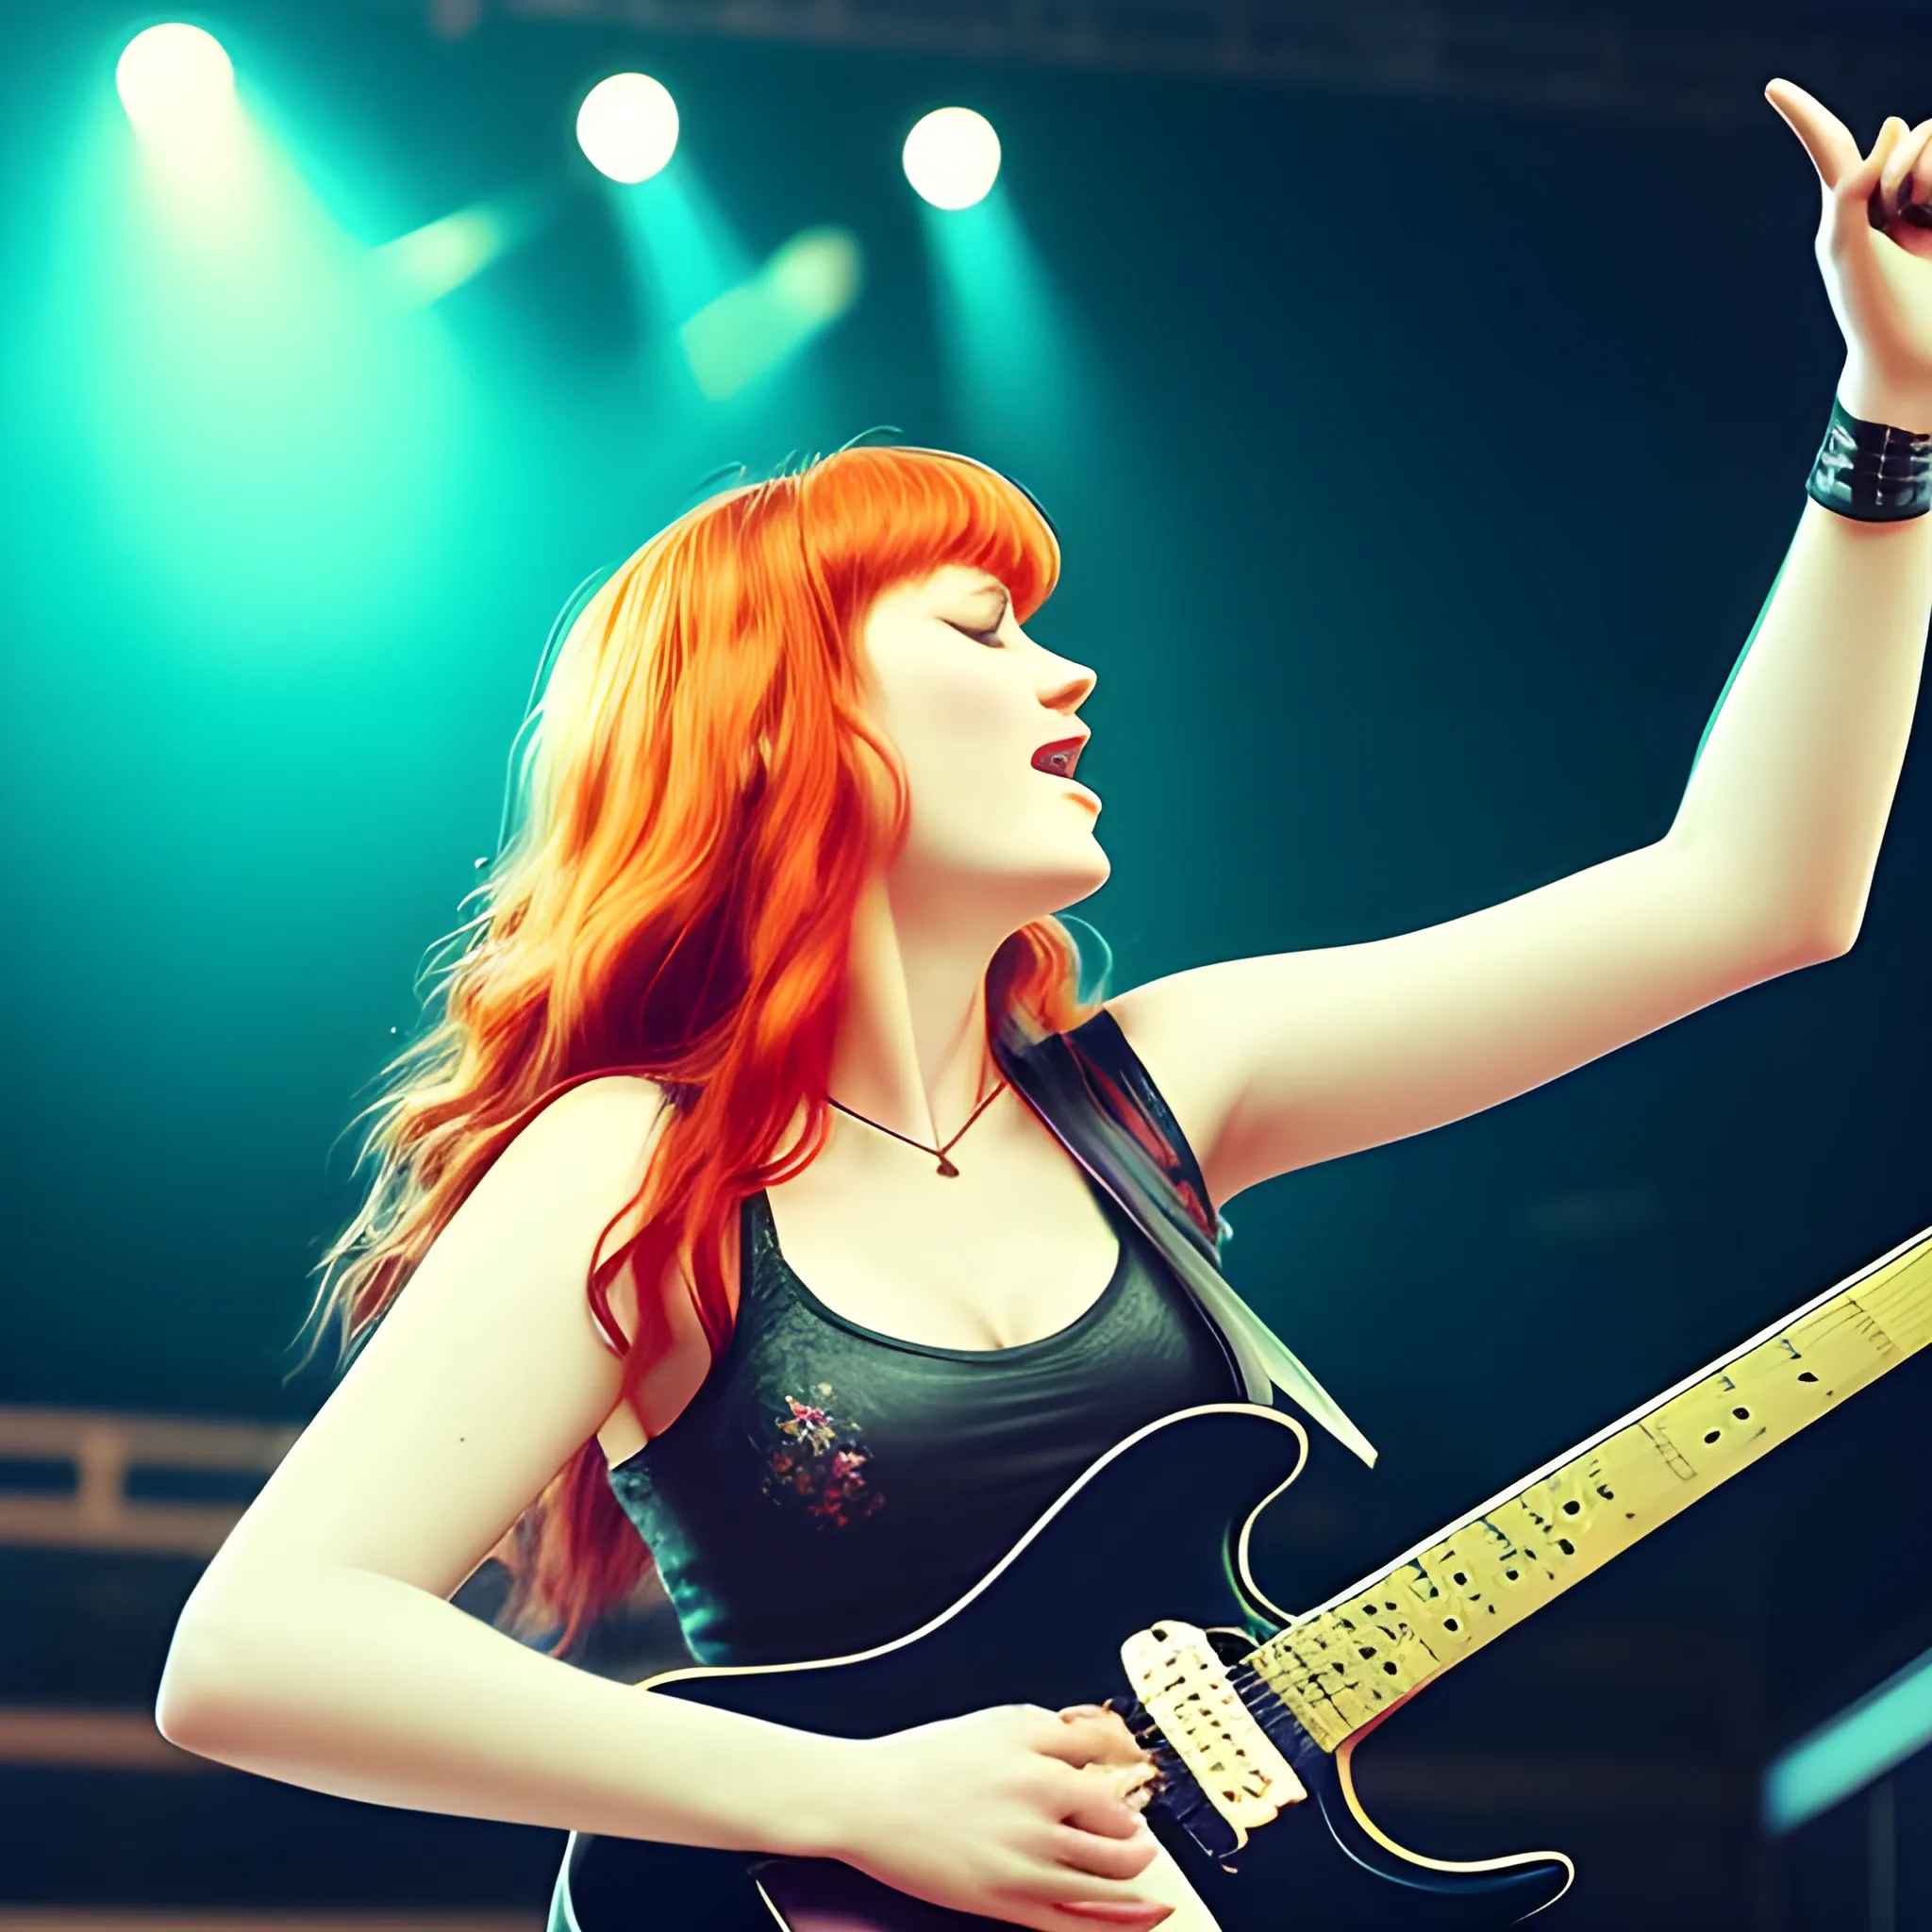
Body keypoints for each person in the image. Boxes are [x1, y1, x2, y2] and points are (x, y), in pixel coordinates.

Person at [155, 78, 1932, 1932]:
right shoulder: (640, 1161)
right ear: (782, 719)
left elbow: (1757, 894)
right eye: (978, 628)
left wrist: (1890, 404)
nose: (1068, 670)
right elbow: (258, 1644)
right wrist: (855, 1795)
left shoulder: (1158, 1088)